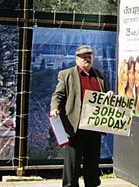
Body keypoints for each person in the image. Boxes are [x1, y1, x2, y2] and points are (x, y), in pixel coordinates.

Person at [50, 45, 113, 187]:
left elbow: (106, 94)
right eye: (84, 56)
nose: (87, 59)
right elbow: (58, 95)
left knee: (92, 164)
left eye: (89, 56)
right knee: (72, 164)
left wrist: (109, 94)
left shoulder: (100, 75)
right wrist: (54, 108)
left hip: (94, 126)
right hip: (75, 126)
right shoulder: (66, 74)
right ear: (76, 59)